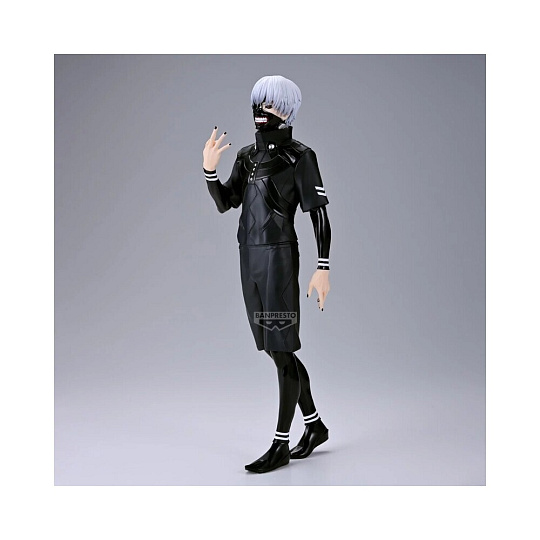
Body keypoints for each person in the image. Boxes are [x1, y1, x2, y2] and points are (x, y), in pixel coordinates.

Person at [202, 75, 331, 473]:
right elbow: (227, 202)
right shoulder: (246, 157)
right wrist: (209, 172)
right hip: (249, 259)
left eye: (270, 105)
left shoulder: (300, 157)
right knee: (276, 349)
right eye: (258, 104)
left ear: (287, 112)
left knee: (282, 348)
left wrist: (323, 266)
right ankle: (315, 427)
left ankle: (280, 443)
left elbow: (319, 214)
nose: (261, 112)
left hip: (279, 259)